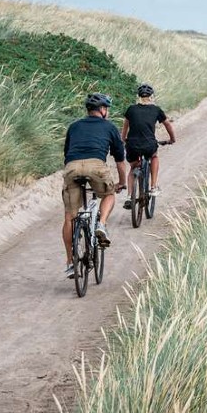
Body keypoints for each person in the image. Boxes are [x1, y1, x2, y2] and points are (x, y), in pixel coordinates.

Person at [61, 93, 127, 279]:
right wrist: (121, 182)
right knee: (109, 194)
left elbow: (67, 154)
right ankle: (101, 224)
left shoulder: (74, 126)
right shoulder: (110, 127)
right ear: (103, 110)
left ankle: (70, 263)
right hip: (96, 166)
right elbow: (120, 161)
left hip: (72, 167)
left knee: (69, 217)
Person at [121, 83, 175, 206]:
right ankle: (153, 186)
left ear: (138, 96)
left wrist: (124, 140)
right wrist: (172, 139)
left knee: (133, 167)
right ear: (152, 96)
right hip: (149, 145)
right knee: (154, 156)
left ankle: (130, 197)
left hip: (132, 145)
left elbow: (125, 127)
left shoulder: (131, 109)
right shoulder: (156, 110)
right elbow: (167, 125)